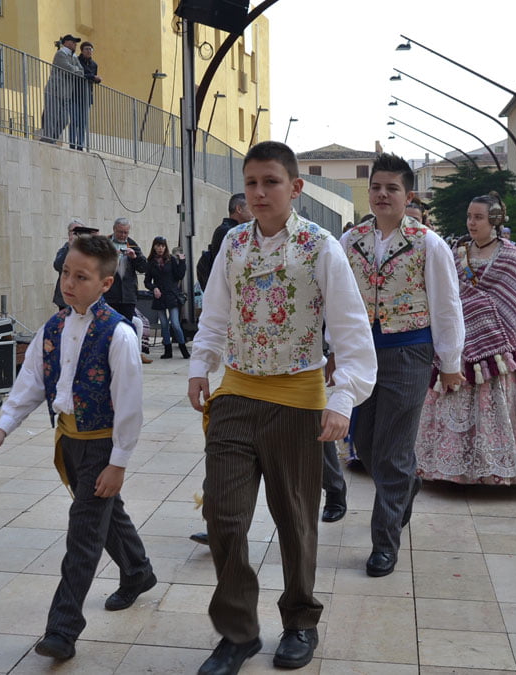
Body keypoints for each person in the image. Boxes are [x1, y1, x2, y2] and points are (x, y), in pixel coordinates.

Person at [188, 141, 377, 674]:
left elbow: (351, 334)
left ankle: (299, 622)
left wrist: (342, 400)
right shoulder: (233, 244)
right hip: (237, 393)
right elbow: (215, 314)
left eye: (270, 182)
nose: (259, 193)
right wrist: (200, 365)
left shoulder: (321, 248)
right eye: (251, 183)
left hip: (297, 399)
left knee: (295, 519)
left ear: (295, 188)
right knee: (224, 515)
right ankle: (238, 632)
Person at [0, 234, 155, 663]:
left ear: (106, 284)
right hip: (69, 443)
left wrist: (119, 463)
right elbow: (31, 384)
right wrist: (3, 428)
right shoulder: (53, 328)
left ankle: (62, 628)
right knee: (102, 515)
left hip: (101, 445)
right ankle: (137, 571)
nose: (69, 283)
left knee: (83, 534)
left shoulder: (119, 335)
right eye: (65, 274)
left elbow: (130, 407)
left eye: (81, 277)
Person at [339, 153, 465, 578]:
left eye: (391, 188)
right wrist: (333, 350)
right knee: (367, 445)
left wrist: (450, 360)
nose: (382, 194)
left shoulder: (430, 243)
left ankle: (384, 543)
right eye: (376, 187)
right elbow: (336, 303)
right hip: (361, 353)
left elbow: (446, 305)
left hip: (409, 350)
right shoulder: (349, 241)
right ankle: (408, 484)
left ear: (407, 195)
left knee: (392, 451)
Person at [415, 192, 516, 485]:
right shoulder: (456, 250)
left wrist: (485, 317)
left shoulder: (509, 254)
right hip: (459, 346)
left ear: (495, 221)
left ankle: (501, 469)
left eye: (479, 217)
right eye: (469, 216)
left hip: (501, 353)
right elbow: (448, 294)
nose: (472, 223)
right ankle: (453, 467)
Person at [104, 218, 151, 364]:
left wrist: (134, 257)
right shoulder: (106, 243)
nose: (123, 235)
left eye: (125, 232)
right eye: (120, 232)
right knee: (109, 327)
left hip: (128, 295)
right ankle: (110, 356)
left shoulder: (133, 244)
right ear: (114, 229)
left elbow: (144, 268)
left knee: (127, 328)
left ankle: (125, 357)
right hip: (110, 294)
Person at [144, 236, 189, 359]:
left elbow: (179, 275)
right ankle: (167, 350)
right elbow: (147, 281)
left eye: (163, 246)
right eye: (158, 245)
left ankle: (183, 348)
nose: (160, 248)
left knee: (175, 323)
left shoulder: (171, 260)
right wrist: (154, 288)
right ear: (154, 246)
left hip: (171, 295)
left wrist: (182, 261)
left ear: (165, 247)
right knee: (164, 324)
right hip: (159, 296)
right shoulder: (151, 262)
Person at [198, 193, 252, 290]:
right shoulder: (229, 232)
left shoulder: (230, 230)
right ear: (239, 209)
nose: (254, 212)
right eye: (250, 208)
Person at [41, 34, 83, 144]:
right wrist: (76, 70)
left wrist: (76, 70)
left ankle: (52, 139)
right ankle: (48, 139)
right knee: (51, 117)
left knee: (64, 120)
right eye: (73, 42)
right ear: (66, 43)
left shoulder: (73, 57)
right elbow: (68, 68)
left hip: (65, 93)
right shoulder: (61, 54)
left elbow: (81, 71)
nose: (75, 44)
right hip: (54, 91)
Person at [53, 220, 97, 310]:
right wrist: (70, 248)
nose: (76, 235)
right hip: (66, 297)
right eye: (74, 232)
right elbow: (57, 266)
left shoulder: (89, 249)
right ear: (69, 234)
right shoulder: (65, 249)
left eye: (79, 232)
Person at [73, 41, 102, 151]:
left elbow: (92, 79)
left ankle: (80, 145)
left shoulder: (94, 64)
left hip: (86, 96)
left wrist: (96, 80)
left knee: (83, 122)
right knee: (75, 121)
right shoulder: (77, 60)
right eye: (86, 49)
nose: (89, 51)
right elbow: (79, 73)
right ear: (82, 50)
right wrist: (92, 77)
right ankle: (72, 143)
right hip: (75, 94)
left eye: (90, 49)